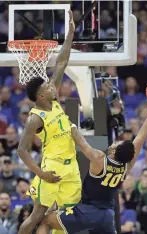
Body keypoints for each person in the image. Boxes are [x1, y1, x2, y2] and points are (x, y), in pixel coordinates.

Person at [36, 104, 147, 234]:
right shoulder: (127, 166)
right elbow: (141, 138)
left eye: (116, 143)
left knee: (46, 221)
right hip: (107, 216)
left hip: (88, 211)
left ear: (114, 151)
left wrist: (61, 116)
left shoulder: (99, 159)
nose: (113, 143)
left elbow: (79, 139)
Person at [17, 10, 82, 234]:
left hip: (71, 166)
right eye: (48, 86)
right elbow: (22, 150)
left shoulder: (53, 101)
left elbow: (62, 61)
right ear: (40, 96)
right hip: (52, 168)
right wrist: (41, 173)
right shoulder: (35, 118)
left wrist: (70, 34)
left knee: (68, 216)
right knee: (37, 215)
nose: (53, 86)